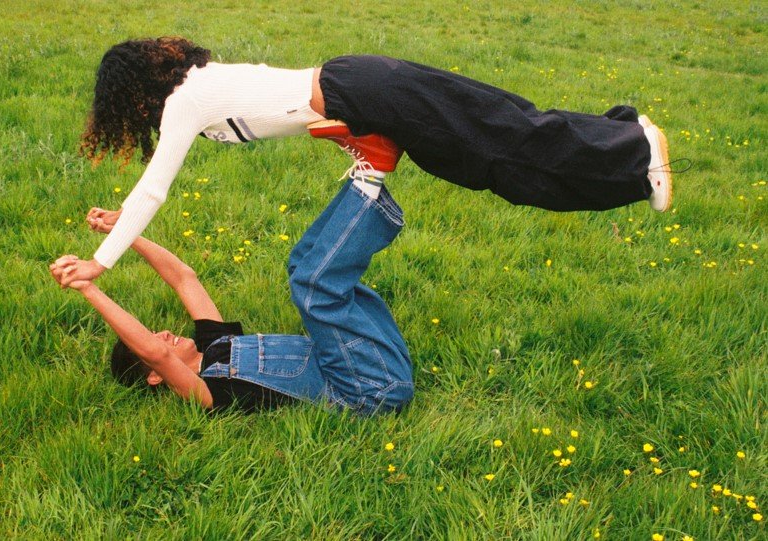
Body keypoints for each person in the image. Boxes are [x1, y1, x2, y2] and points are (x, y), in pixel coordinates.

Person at [62, 36, 675, 286]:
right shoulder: (197, 88)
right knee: (499, 145)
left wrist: (100, 262)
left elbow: (154, 190)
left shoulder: (185, 101)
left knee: (503, 144)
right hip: (364, 94)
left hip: (368, 92)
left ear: (133, 93)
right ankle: (626, 136)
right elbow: (299, 115)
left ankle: (637, 153)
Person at [51, 135, 413, 414]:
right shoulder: (208, 391)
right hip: (369, 389)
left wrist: (125, 233)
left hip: (380, 360)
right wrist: (88, 288)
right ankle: (369, 187)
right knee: (312, 286)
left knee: (300, 265)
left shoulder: (215, 343)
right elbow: (155, 351)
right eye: (152, 340)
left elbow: (183, 278)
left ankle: (366, 174)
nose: (161, 334)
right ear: (155, 376)